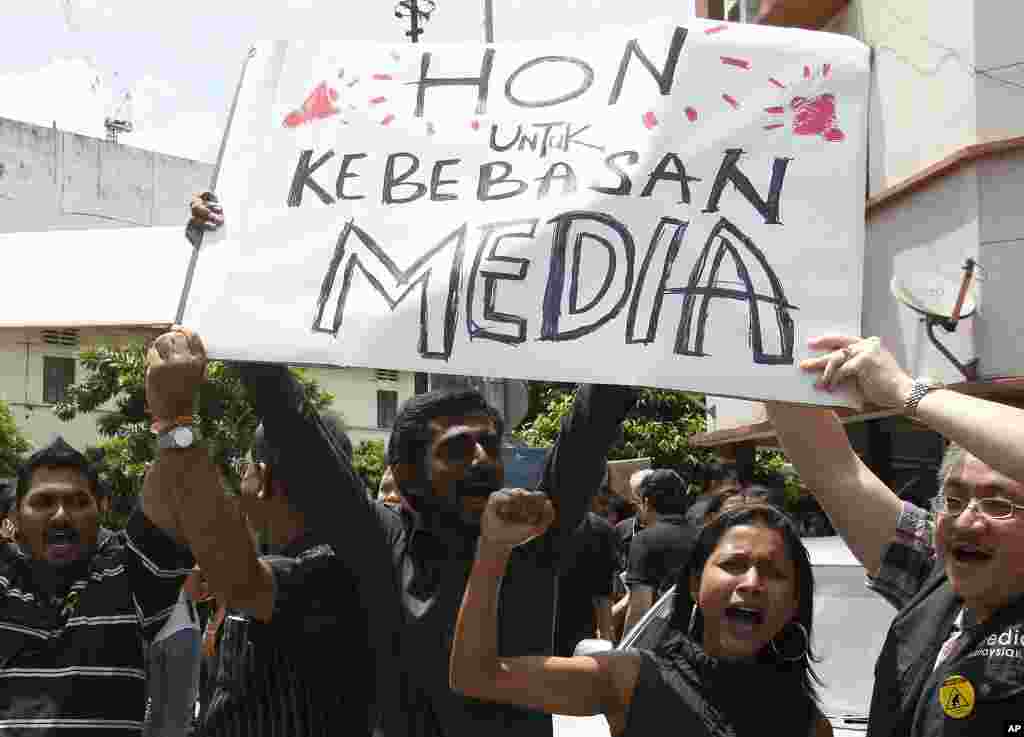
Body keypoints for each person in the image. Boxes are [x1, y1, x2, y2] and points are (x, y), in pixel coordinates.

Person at [189, 191, 638, 737]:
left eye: (490, 444)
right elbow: (300, 434)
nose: (481, 459)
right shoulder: (381, 544)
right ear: (406, 475)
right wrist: (229, 265)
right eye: (455, 449)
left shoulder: (534, 531)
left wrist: (640, 257)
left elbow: (592, 422)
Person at [767, 334, 1024, 735]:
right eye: (953, 500)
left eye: (997, 504)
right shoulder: (931, 578)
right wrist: (781, 344)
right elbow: (835, 472)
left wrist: (907, 392)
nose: (965, 522)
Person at [142, 328, 385, 737]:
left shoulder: (331, 572)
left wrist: (175, 420)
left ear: (264, 476)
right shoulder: (275, 558)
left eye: (247, 464)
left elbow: (243, 582)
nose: (241, 476)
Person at [450, 494, 832, 737]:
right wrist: (493, 548)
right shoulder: (633, 680)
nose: (752, 583)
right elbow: (476, 676)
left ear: (794, 601)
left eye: (774, 572)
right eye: (734, 565)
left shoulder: (810, 726)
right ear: (696, 586)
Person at [0, 437, 194, 734]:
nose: (61, 515)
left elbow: (174, 484)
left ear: (100, 508)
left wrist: (173, 425)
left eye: (78, 502)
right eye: (43, 502)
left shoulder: (128, 576)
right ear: (15, 516)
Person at [622, 469, 698, 635]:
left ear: (647, 502)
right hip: (699, 642)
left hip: (663, 646)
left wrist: (623, 654)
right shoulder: (703, 536)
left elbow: (639, 608)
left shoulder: (644, 540)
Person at [145, 572, 202, 737]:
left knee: (155, 710)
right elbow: (193, 590)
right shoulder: (186, 549)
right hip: (182, 627)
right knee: (178, 714)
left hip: (154, 631)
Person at [554, 509, 619, 656]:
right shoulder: (600, 529)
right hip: (578, 639)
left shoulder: (528, 521)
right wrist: (605, 640)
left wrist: (605, 639)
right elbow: (604, 595)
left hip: (571, 638)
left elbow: (604, 593)